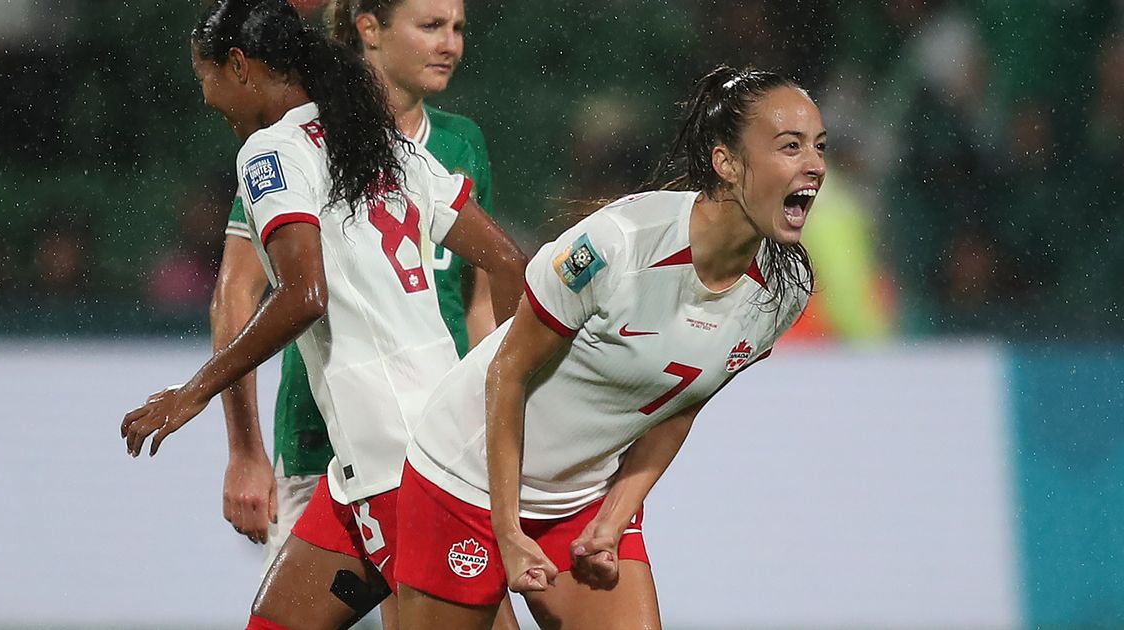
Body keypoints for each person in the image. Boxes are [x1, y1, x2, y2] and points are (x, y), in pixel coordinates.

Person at [119, 2, 525, 630]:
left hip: (404, 465)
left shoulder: (271, 155)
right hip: (381, 459)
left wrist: (194, 390)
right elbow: (504, 260)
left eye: (207, 79)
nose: (208, 99)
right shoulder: (380, 142)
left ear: (240, 66)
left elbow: (305, 295)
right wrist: (500, 396)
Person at [395, 65, 825, 629]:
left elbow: (681, 402)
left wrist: (613, 521)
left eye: (819, 146)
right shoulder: (615, 245)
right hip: (466, 480)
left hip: (582, 498)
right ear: (726, 163)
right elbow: (507, 373)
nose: (814, 165)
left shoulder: (782, 295)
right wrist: (506, 529)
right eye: (790, 147)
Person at [211, 0, 499, 589]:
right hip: (320, 435)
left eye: (458, 29)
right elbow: (236, 297)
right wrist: (245, 448)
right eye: (430, 27)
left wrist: (495, 424)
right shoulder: (299, 143)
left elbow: (479, 304)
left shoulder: (463, 143)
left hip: (435, 437)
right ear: (368, 28)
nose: (450, 44)